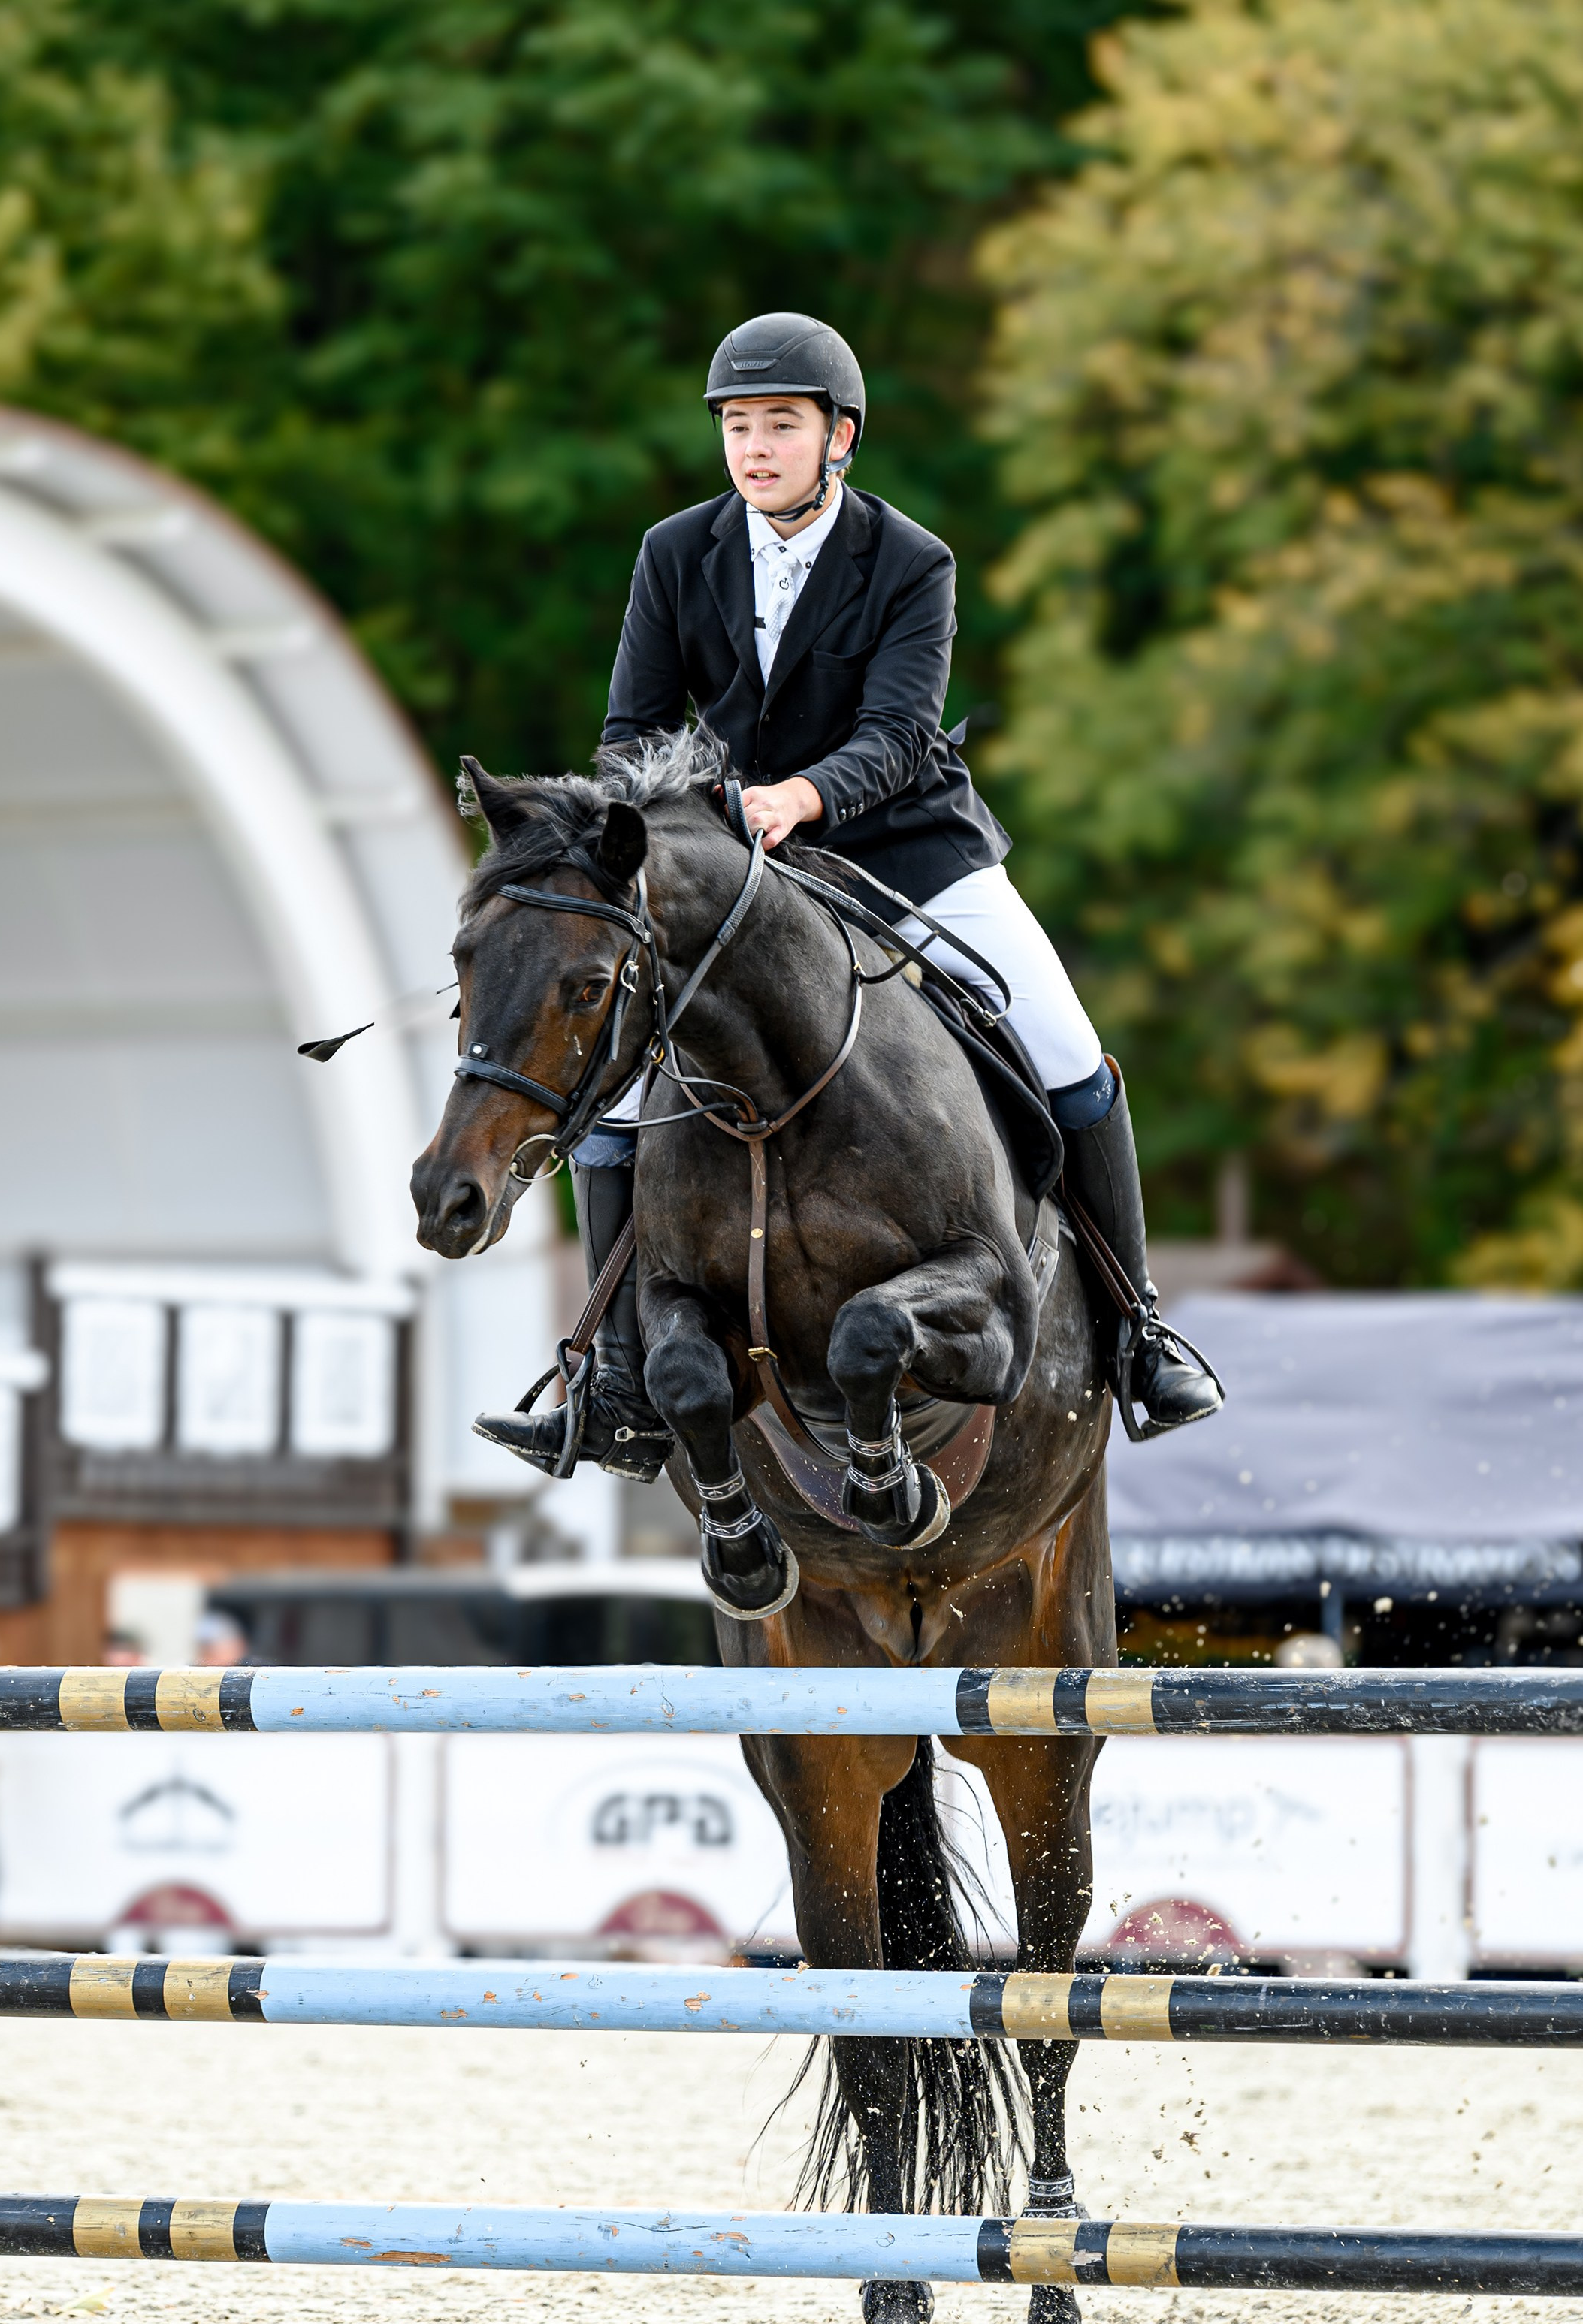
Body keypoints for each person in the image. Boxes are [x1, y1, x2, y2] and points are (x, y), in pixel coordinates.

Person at [477, 311, 1222, 1480]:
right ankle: (609, 1381)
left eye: (781, 423)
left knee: (1068, 1046)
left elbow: (899, 734)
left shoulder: (912, 560)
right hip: (735, 865)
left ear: (841, 438)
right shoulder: (676, 552)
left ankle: (1138, 1332)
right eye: (737, 425)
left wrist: (799, 798)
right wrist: (693, 821)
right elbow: (630, 733)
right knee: (616, 1099)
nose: (754, 446)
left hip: (903, 846)